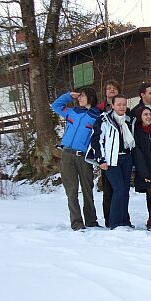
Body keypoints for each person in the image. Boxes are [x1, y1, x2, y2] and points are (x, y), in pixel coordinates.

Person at [51, 88, 101, 231]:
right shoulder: (72, 112)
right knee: (71, 191)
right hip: (67, 155)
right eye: (78, 97)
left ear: (90, 97)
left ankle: (91, 220)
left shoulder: (97, 117)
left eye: (82, 96)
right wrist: (68, 96)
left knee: (87, 190)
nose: (79, 98)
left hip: (84, 157)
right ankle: (77, 223)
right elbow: (55, 106)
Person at [89, 94, 135, 230]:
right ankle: (114, 222)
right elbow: (96, 140)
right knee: (119, 189)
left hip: (126, 158)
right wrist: (101, 159)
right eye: (119, 104)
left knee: (125, 190)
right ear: (113, 106)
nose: (122, 107)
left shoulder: (129, 120)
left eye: (124, 104)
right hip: (111, 159)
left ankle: (125, 220)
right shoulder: (104, 120)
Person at [96, 80, 122, 228]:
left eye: (114, 88)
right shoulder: (100, 110)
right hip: (106, 156)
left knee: (121, 190)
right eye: (108, 89)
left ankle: (121, 218)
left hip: (121, 156)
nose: (111, 90)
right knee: (108, 190)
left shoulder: (124, 109)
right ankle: (108, 219)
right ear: (105, 93)